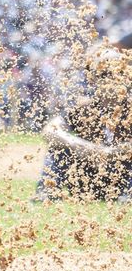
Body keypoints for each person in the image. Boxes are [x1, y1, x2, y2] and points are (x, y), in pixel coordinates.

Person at [36, 41, 132, 201]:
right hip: (88, 179)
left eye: (117, 73)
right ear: (93, 79)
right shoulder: (84, 108)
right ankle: (46, 192)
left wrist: (121, 151)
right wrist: (87, 148)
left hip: (123, 177)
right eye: (104, 74)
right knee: (58, 148)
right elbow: (50, 130)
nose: (111, 79)